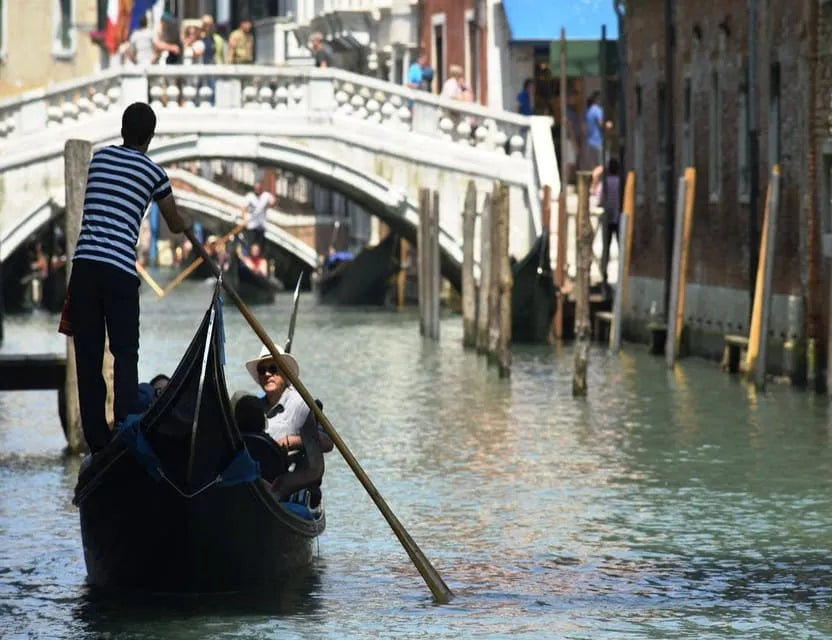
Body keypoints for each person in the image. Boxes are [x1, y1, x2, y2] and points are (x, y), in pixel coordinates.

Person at [66, 102, 191, 454]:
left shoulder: (99, 160)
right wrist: (183, 224)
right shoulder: (154, 174)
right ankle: (124, 422)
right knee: (125, 352)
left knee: (88, 355)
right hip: (119, 271)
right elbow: (173, 221)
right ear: (150, 137)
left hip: (85, 269)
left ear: (122, 130)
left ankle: (97, 439)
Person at [600, 157, 622, 286]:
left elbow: (601, 199)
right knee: (621, 247)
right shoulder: (620, 182)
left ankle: (604, 274)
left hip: (608, 218)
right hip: (618, 218)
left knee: (606, 248)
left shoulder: (606, 183)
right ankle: (621, 274)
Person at [241, 181, 275, 249]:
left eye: (259, 188)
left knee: (260, 246)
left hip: (261, 225)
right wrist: (244, 219)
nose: (257, 189)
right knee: (251, 245)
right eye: (256, 188)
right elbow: (243, 208)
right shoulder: (250, 196)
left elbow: (272, 201)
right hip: (251, 225)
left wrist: (270, 203)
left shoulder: (266, 195)